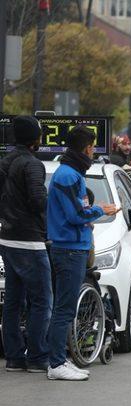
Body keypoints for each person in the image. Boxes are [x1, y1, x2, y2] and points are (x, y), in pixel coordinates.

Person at [46, 126, 119, 380]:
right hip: (69, 248)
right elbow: (76, 214)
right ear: (86, 147)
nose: (92, 152)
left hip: (72, 247)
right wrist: (102, 210)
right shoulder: (68, 176)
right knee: (64, 308)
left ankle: (59, 359)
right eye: (91, 147)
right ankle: (56, 363)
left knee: (64, 307)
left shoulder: (72, 173)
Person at [0, 116, 52, 373]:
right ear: (35, 138)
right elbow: (38, 201)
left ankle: (14, 357)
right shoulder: (32, 165)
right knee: (42, 299)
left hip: (6, 237)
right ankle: (38, 357)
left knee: (13, 300)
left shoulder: (5, 162)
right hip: (30, 240)